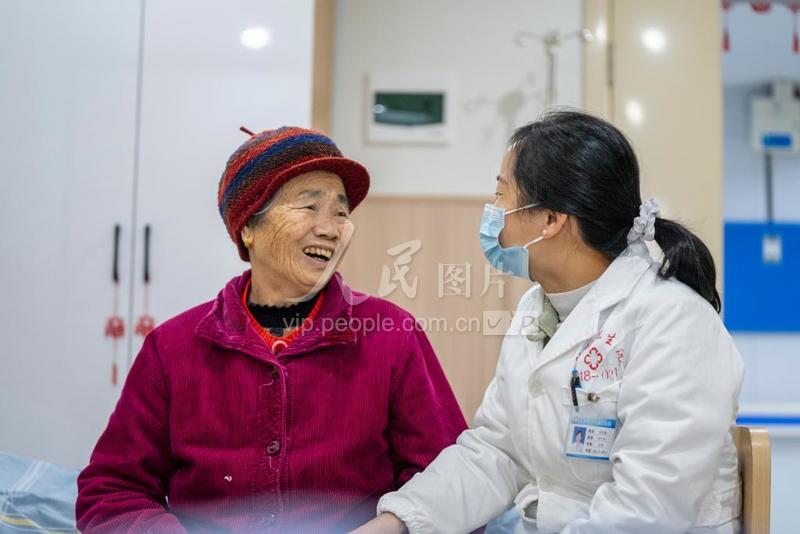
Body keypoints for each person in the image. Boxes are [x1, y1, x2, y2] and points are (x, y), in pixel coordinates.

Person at [355, 111, 743, 533]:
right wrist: (398, 521)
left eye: (501, 194)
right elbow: (495, 452)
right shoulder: (536, 309)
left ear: (551, 220)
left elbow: (647, 511)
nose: (492, 212)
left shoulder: (673, 322)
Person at [76, 127, 467, 533]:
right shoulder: (172, 347)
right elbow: (111, 492)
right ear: (248, 227)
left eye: (341, 213)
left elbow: (453, 488)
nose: (331, 229)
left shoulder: (392, 336)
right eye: (309, 207)